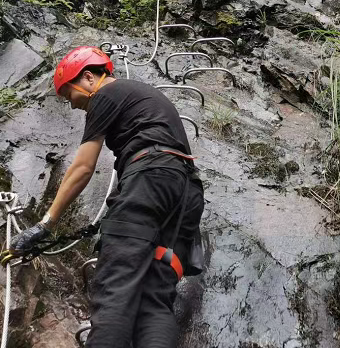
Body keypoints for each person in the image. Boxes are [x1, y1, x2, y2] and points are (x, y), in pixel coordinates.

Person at [2, 46, 204, 348]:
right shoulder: (145, 99)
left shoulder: (107, 94)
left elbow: (83, 168)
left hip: (149, 180)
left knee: (115, 289)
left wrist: (45, 224)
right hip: (186, 195)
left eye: (70, 94)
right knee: (155, 298)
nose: (72, 106)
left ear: (87, 77)